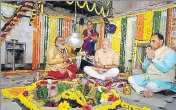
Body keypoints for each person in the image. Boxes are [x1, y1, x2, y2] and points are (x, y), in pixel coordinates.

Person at [128, 33, 176, 98]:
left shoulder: (170, 52)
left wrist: (153, 58)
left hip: (163, 78)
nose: (151, 43)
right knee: (130, 79)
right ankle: (143, 90)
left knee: (151, 85)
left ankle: (169, 86)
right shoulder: (151, 51)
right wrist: (148, 58)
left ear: (161, 41)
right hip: (149, 77)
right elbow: (144, 67)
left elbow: (165, 69)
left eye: (154, 41)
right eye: (150, 41)